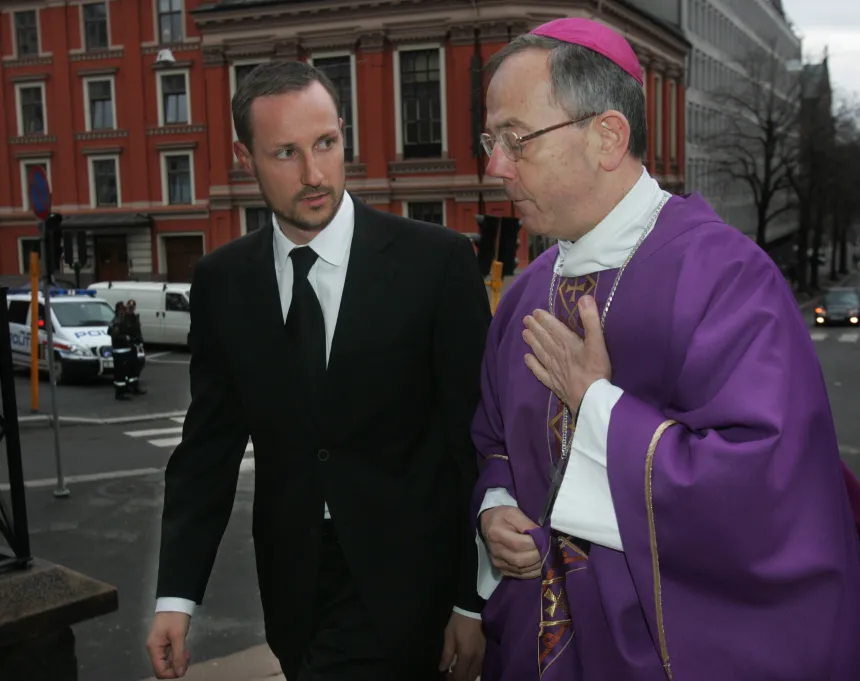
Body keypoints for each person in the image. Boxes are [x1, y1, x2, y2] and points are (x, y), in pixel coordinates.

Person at [472, 17, 860, 681]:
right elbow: (493, 438)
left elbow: (765, 489)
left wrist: (597, 405)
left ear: (607, 137)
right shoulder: (526, 293)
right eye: (491, 139)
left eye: (517, 139)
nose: (494, 166)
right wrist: (494, 505)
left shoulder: (727, 279)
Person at [146, 60, 489, 681]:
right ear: (244, 158)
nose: (314, 174)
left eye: (326, 144)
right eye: (285, 153)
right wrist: (177, 596)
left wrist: (472, 598)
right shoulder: (224, 283)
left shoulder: (435, 264)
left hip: (411, 586)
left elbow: (473, 444)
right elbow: (208, 448)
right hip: (293, 593)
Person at [107, 301, 133, 401]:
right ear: (118, 310)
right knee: (120, 374)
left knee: (124, 372)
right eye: (122, 309)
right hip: (119, 351)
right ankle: (120, 393)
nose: (124, 311)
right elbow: (113, 333)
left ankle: (123, 390)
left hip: (125, 350)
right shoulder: (117, 320)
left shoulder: (122, 319)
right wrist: (125, 337)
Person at [125, 298, 146, 395]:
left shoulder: (135, 317)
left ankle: (134, 385)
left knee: (139, 364)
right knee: (129, 367)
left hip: (137, 345)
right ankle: (129, 386)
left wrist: (141, 341)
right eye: (129, 307)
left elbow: (138, 331)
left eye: (132, 308)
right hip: (128, 346)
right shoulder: (124, 318)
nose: (131, 309)